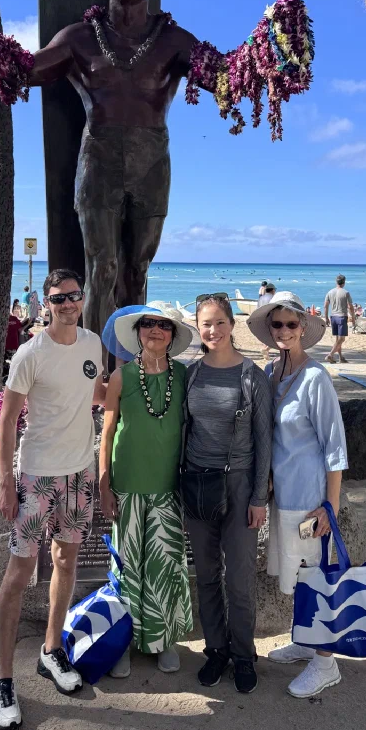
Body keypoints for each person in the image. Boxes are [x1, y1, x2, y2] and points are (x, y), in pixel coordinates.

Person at [0, 269, 107, 730]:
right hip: (37, 474)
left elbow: (94, 394)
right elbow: (8, 419)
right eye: (59, 298)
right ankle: (2, 679)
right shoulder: (30, 353)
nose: (67, 304)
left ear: (82, 299)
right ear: (46, 302)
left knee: (66, 562)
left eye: (74, 296)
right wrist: (5, 480)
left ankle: (51, 649)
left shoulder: (93, 343)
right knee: (20, 572)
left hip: (79, 471)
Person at [247, 294, 348, 697]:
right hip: (281, 494)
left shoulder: (316, 377)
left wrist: (331, 506)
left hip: (308, 494)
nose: (285, 331)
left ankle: (325, 662)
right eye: (277, 326)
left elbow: (334, 446)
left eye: (291, 325)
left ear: (303, 327)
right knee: (296, 573)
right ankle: (306, 640)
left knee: (314, 577)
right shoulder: (273, 371)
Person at [183, 293, 272, 694]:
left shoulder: (252, 376)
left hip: (238, 485)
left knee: (238, 579)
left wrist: (258, 498)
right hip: (199, 485)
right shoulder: (192, 374)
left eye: (220, 322)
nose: (213, 331)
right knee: (205, 576)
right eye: (206, 324)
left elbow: (264, 441)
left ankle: (243, 654)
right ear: (197, 328)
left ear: (232, 324)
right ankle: (215, 649)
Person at [98, 306, 193, 678]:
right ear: (137, 333)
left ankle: (163, 638)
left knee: (165, 565)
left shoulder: (184, 375)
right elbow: (106, 432)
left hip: (168, 487)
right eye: (148, 324)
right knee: (125, 567)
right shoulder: (121, 377)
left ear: (172, 335)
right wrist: (105, 483)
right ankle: (122, 641)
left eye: (163, 325)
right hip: (128, 486)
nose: (155, 330)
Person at [323, 275, 355, 363]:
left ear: (336, 282)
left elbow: (325, 306)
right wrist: (353, 318)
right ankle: (330, 355)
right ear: (344, 282)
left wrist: (326, 317)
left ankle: (341, 357)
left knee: (338, 339)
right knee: (342, 339)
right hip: (342, 316)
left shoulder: (330, 292)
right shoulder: (346, 292)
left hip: (333, 317)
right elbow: (350, 307)